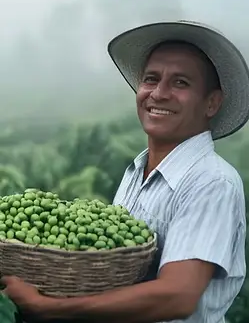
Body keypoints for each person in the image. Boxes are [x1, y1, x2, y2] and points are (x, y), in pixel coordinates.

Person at [1, 20, 249, 323]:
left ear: (212, 103)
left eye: (180, 82)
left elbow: (178, 296)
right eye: (151, 79)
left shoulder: (211, 182)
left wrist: (50, 308)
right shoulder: (137, 171)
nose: (159, 93)